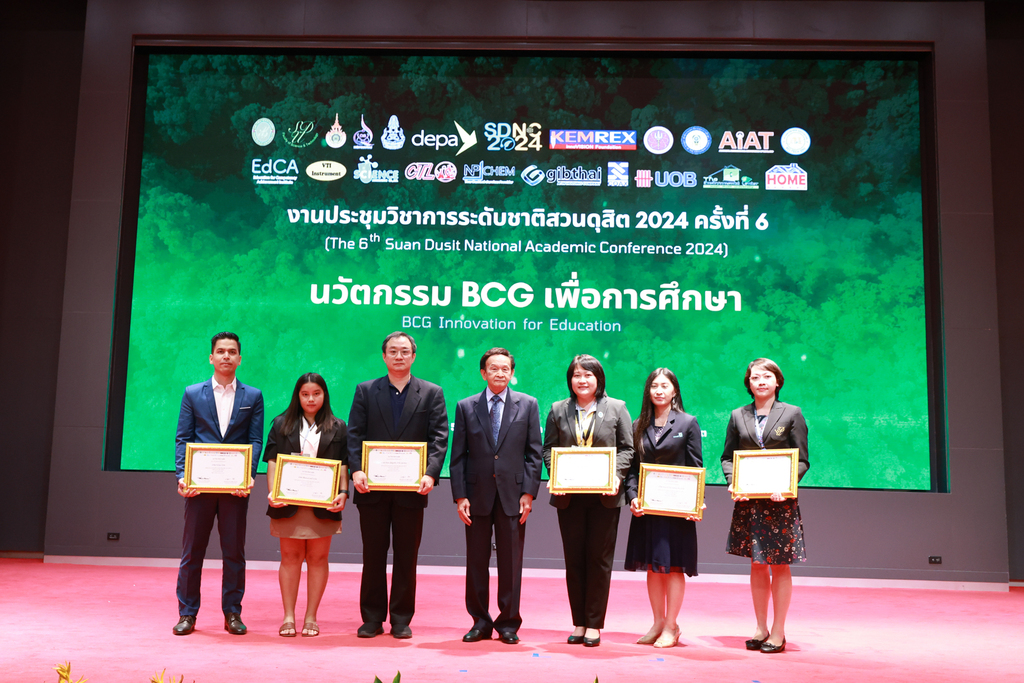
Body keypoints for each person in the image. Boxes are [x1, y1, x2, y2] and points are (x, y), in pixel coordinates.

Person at [347, 331, 448, 639]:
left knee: (406, 557)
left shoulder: (431, 392)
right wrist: (356, 470)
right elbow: (354, 434)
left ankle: (401, 619)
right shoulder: (366, 390)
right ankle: (372, 618)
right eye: (393, 351)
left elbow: (439, 438)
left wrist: (431, 473)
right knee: (373, 556)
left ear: (413, 356)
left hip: (411, 490)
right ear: (384, 356)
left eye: (405, 351)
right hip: (371, 489)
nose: (399, 356)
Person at [450, 348, 543, 645]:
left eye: (505, 368)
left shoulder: (528, 404)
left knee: (511, 563)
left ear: (512, 372)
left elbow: (534, 453)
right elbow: (458, 456)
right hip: (476, 495)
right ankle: (480, 622)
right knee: (476, 562)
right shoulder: (466, 406)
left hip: (513, 496)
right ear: (483, 373)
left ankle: (508, 624)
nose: (500, 373)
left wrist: (529, 492)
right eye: (493, 368)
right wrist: (460, 496)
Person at [173, 332, 264, 636]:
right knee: (192, 552)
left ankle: (233, 613)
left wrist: (248, 476)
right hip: (199, 487)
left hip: (235, 489)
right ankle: (187, 614)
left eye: (232, 351)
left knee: (234, 553)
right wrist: (182, 476)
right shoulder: (192, 393)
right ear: (211, 357)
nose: (226, 356)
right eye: (221, 351)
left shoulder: (253, 396)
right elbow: (183, 438)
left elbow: (255, 440)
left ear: (240, 358)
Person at [542, 354, 633, 647]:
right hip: (569, 497)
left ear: (598, 379)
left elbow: (627, 449)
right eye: (577, 375)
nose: (582, 380)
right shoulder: (558, 409)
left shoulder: (616, 407)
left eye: (588, 375)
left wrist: (616, 476)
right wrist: (556, 474)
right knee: (574, 560)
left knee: (599, 560)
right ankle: (579, 622)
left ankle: (594, 624)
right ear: (570, 379)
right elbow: (548, 449)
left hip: (605, 497)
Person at [721, 358, 809, 654]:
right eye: (755, 377)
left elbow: (802, 460)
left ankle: (779, 631)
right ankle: (760, 628)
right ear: (748, 383)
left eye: (766, 376)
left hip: (779, 502)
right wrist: (733, 481)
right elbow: (728, 457)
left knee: (779, 565)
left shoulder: (792, 413)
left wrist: (786, 485)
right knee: (757, 564)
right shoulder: (738, 415)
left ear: (777, 381)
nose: (761, 381)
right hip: (749, 502)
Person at [264, 373, 349, 637]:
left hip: (323, 504)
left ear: (324, 395)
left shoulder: (338, 426)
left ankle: (311, 616)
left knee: (318, 558)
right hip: (288, 502)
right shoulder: (281, 424)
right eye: (305, 394)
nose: (311, 399)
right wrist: (273, 492)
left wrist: (344, 492)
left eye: (316, 394)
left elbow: (343, 465)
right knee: (290, 558)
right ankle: (288, 616)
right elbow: (273, 461)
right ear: (297, 396)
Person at [624, 368, 702, 648]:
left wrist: (696, 502)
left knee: (674, 568)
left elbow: (696, 466)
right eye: (654, 386)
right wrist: (632, 496)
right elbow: (632, 469)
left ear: (674, 391)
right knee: (654, 568)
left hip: (677, 509)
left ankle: (671, 625)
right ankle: (657, 622)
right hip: (648, 508)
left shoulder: (688, 423)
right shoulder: (638, 424)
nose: (659, 390)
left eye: (664, 386)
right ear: (648, 391)